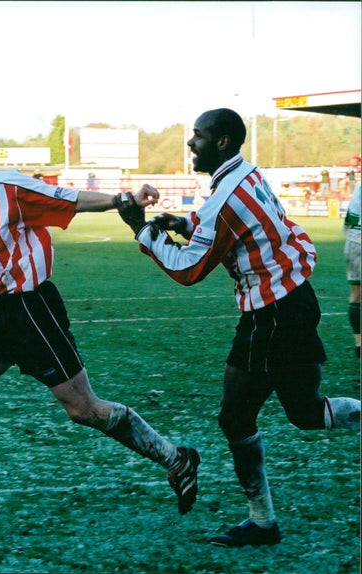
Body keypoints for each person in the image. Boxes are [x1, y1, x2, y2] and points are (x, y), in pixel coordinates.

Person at [0, 118, 201, 535]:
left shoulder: (5, 187)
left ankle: (177, 458)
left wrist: (124, 198)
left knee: (83, 409)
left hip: (33, 309)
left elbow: (67, 198)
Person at [123, 108, 360, 547]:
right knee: (307, 412)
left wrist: (142, 229)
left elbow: (188, 268)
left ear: (222, 143)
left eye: (198, 136)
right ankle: (263, 521)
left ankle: (263, 522)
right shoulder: (246, 175)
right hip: (294, 300)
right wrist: (185, 222)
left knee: (235, 417)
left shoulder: (228, 194)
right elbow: (237, 226)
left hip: (271, 313)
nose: (191, 143)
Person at [343, 182, 361, 357]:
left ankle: (359, 344)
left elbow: (349, 220)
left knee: (356, 295)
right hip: (357, 241)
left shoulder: (359, 187)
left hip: (354, 241)